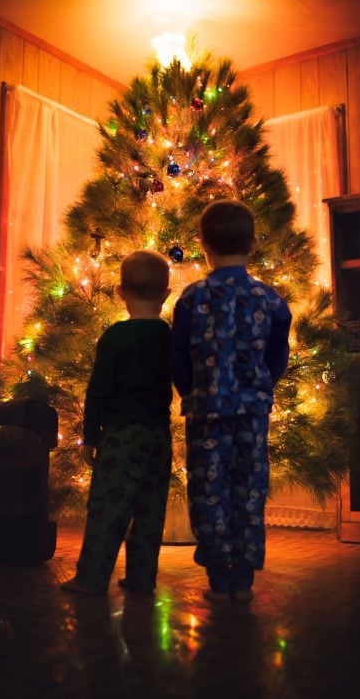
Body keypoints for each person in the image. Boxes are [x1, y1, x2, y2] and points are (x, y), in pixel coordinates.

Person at [171, 199, 291, 603]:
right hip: (252, 412)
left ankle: (219, 577)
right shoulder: (271, 300)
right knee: (249, 488)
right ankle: (243, 576)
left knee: (209, 489)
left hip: (206, 411)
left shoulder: (191, 297)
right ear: (253, 245)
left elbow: (179, 357)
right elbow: (277, 357)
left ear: (203, 244)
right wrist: (260, 387)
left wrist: (190, 390)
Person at [61, 250, 173, 595]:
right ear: (166, 295)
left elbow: (99, 392)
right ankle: (142, 577)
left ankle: (92, 578)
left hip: (121, 437)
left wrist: (90, 436)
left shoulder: (115, 338)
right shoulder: (168, 336)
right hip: (158, 436)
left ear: (120, 292)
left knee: (108, 509)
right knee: (150, 509)